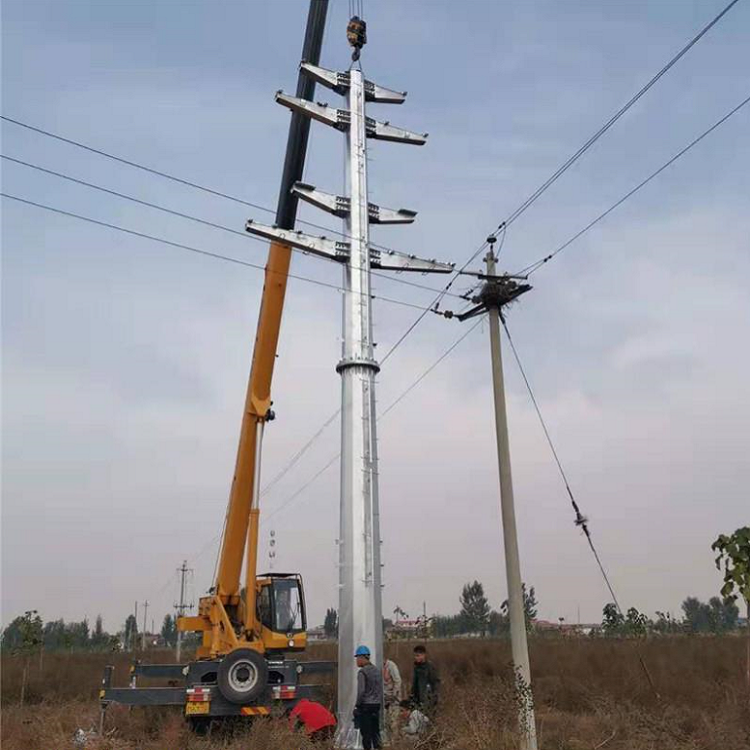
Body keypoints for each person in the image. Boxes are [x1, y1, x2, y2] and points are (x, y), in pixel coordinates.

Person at [354, 645, 382, 750]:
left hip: (366, 706)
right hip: (376, 705)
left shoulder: (362, 672)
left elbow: (361, 691)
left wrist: (357, 705)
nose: (356, 661)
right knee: (376, 732)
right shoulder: (376, 670)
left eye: (357, 658)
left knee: (366, 734)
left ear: (362, 657)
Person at [410, 644, 440, 712]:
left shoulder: (429, 667)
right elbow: (415, 684)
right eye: (415, 655)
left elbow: (435, 683)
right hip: (417, 700)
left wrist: (433, 698)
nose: (416, 657)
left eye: (418, 656)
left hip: (427, 700)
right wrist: (412, 696)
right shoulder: (416, 668)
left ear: (423, 655)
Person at [383, 656, 403, 738]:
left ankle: (395, 742)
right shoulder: (378, 665)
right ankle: (386, 740)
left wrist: (394, 695)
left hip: (393, 699)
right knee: (385, 721)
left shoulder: (391, 666)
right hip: (384, 699)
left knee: (393, 722)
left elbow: (397, 681)